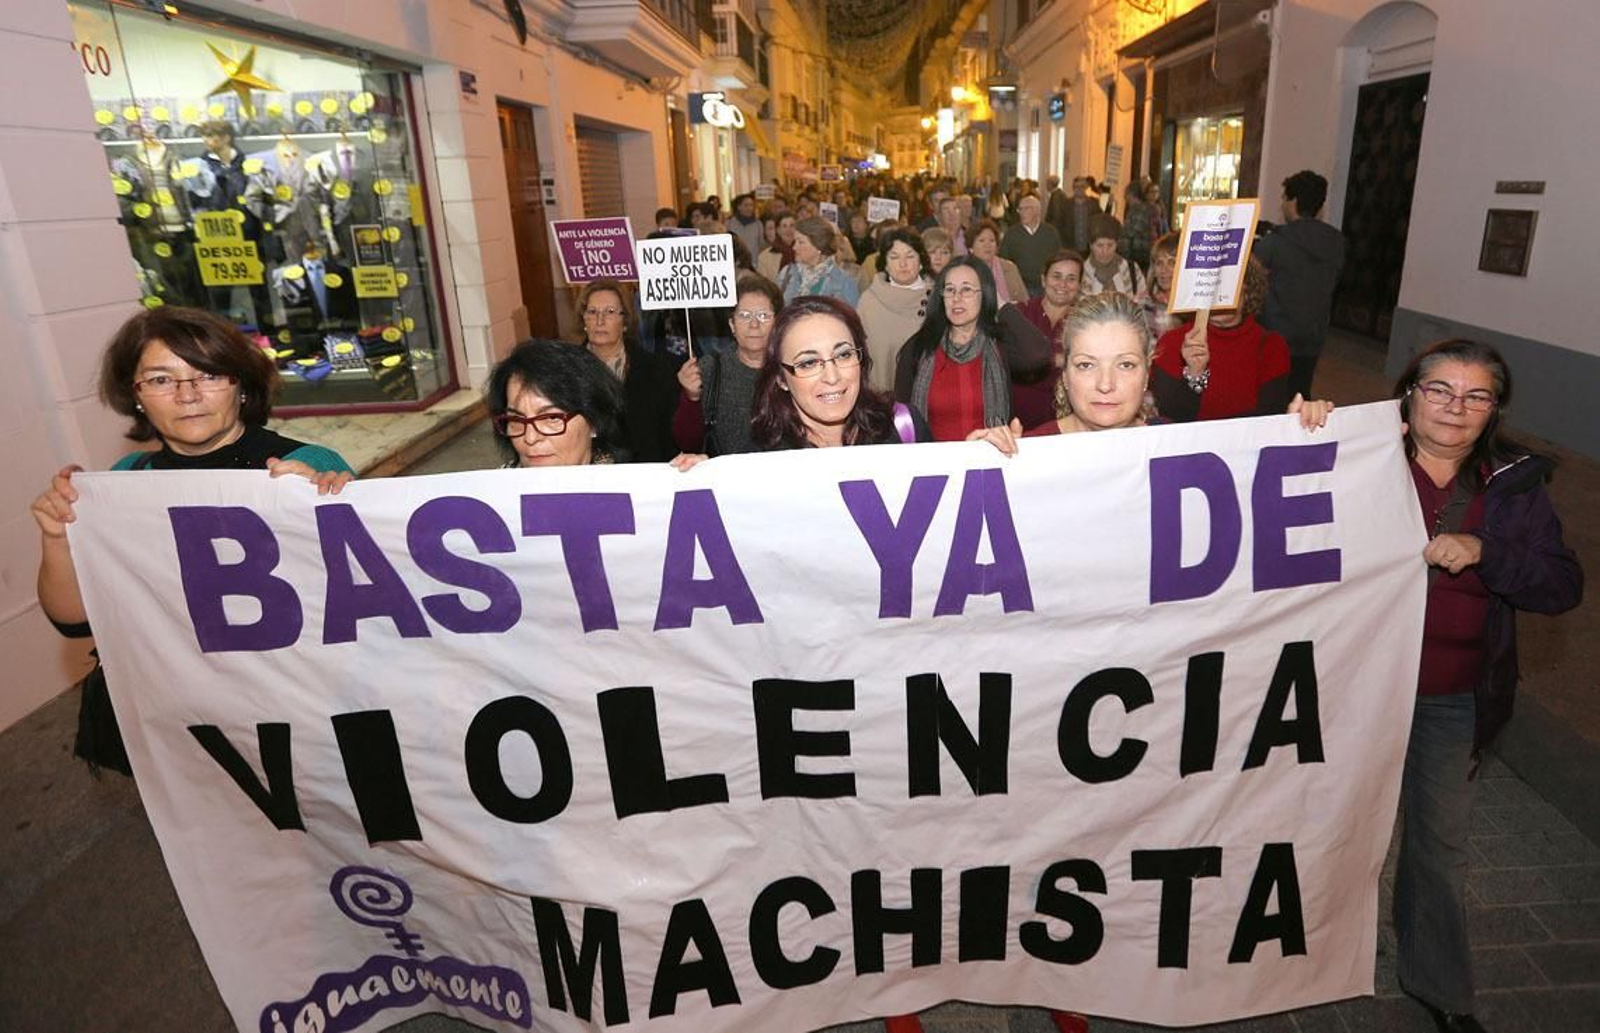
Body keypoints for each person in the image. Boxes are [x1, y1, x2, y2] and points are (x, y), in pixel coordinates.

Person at [31, 305, 353, 775]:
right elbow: (75, 622)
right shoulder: (124, 481)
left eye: (209, 375)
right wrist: (57, 538)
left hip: (289, 705)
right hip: (179, 710)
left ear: (241, 385)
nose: (187, 394)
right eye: (161, 379)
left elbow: (365, 595)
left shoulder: (306, 463)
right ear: (136, 395)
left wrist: (330, 500)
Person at [1391, 339, 1581, 1033]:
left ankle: (1440, 984)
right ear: (1408, 395)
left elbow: (1563, 585)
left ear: (1493, 410)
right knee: (1324, 832)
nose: (1455, 407)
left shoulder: (1514, 488)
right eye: (1439, 389)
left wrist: (1488, 553)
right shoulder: (1355, 463)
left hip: (1451, 696)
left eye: (1476, 396)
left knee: (1439, 845)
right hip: (1349, 692)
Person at [894, 257, 1049, 441]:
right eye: (950, 290)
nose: (956, 298)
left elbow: (1038, 354)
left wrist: (999, 303)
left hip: (990, 463)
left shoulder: (999, 345)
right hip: (934, 465)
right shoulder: (919, 348)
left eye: (966, 289)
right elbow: (901, 420)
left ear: (985, 294)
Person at [752, 295, 929, 449]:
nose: (832, 377)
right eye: (809, 363)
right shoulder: (761, 466)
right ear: (781, 379)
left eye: (843, 354)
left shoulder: (904, 427)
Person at [1150, 258, 1295, 422]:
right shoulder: (1171, 344)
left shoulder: (1271, 347)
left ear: (1247, 289)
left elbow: (1269, 420)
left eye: (1229, 282)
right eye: (1212, 283)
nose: (1219, 292)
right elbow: (1171, 419)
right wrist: (1194, 375)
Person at [1255, 169, 1346, 399]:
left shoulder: (1277, 241)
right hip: (1313, 335)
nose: (1283, 204)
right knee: (1300, 393)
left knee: (1271, 396)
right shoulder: (1337, 241)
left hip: (1276, 334)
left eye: (1284, 198)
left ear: (1293, 200)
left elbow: (1252, 277)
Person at [672, 273, 779, 456]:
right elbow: (687, 443)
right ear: (732, 325)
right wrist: (691, 398)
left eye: (763, 315)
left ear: (777, 322)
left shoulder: (794, 369)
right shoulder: (709, 369)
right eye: (744, 316)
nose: (754, 324)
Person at [575, 279, 678, 461]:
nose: (600, 320)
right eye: (592, 312)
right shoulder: (567, 371)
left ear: (625, 322)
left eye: (610, 312)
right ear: (584, 320)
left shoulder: (656, 370)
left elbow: (669, 439)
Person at [486, 338, 630, 466]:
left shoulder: (630, 489)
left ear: (594, 422)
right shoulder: (496, 490)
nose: (530, 438)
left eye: (551, 418)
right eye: (516, 420)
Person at [1011, 249, 1085, 429]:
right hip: (1017, 422)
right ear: (1044, 280)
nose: (1063, 284)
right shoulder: (1020, 314)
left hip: (1066, 422)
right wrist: (1058, 359)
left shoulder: (1085, 323)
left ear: (1080, 285)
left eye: (1071, 278)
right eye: (1057, 276)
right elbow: (1012, 360)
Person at [856, 227, 932, 394]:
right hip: (882, 401)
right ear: (885, 264)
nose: (903, 264)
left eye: (910, 256)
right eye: (894, 257)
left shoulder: (938, 298)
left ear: (921, 261)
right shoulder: (869, 302)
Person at [778, 216, 861, 305]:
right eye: (795, 241)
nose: (794, 247)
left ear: (818, 246)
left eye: (800, 242)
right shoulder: (787, 273)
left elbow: (850, 317)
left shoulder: (843, 282)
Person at [999, 194, 1062, 298]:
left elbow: (1058, 258)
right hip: (1021, 286)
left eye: (1026, 209)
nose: (1021, 212)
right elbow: (1003, 260)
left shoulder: (1050, 232)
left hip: (1046, 285)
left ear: (1036, 211)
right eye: (1020, 209)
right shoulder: (1012, 233)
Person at [1080, 215, 1147, 298]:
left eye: (1110, 245)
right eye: (1099, 245)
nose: (1105, 251)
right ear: (1091, 245)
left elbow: (1143, 300)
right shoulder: (1080, 272)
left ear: (1117, 243)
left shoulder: (1131, 270)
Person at [968, 218, 1027, 305]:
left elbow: (1024, 301)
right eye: (981, 241)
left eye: (992, 240)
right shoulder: (965, 271)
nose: (987, 245)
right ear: (971, 248)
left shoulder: (1010, 267)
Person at [1139, 232, 1182, 344]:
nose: (1164, 270)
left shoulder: (1197, 304)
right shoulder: (1145, 304)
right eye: (1159, 263)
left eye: (1172, 263)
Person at [756, 213, 798, 281]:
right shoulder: (764, 257)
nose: (788, 230)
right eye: (784, 226)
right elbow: (763, 284)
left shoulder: (805, 252)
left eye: (792, 225)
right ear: (778, 230)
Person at [727, 192, 765, 258]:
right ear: (739, 207)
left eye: (751, 205)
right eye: (746, 205)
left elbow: (761, 244)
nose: (749, 208)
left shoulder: (758, 224)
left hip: (754, 262)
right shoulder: (729, 223)